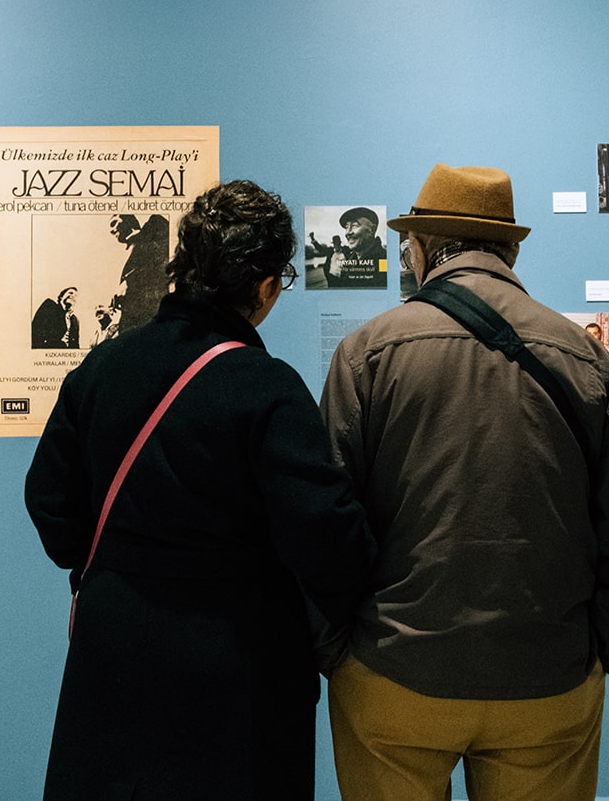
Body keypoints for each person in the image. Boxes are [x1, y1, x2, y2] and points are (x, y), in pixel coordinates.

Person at [25, 179, 376, 800]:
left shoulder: (101, 368)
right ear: (265, 287)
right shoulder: (266, 388)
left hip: (114, 645)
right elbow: (326, 536)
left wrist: (114, 567)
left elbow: (49, 500)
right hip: (237, 659)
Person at [320, 163, 609, 801]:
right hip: (547, 678)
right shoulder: (583, 356)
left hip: (395, 674)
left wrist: (339, 651)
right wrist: (598, 647)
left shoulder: (368, 351)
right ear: (511, 249)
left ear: (425, 248)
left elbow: (328, 519)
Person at [111, 213, 170, 333]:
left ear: (127, 220)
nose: (112, 231)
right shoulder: (127, 253)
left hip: (152, 316)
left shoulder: (155, 225)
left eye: (114, 223)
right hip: (132, 322)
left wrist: (129, 282)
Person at [322, 207, 388, 288]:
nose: (348, 233)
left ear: (372, 229)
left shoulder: (383, 259)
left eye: (354, 225)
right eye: (346, 227)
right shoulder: (350, 259)